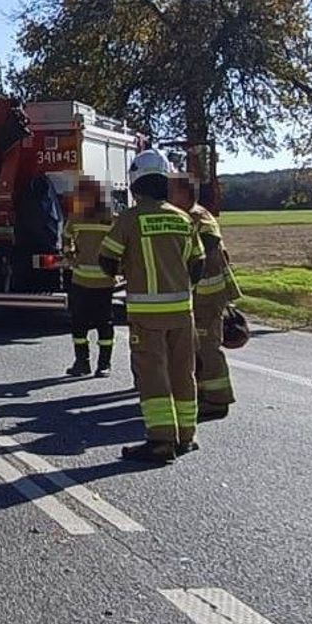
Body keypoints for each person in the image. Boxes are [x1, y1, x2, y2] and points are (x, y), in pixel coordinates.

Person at [98, 150, 206, 462]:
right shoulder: (182, 218)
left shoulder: (130, 219)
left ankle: (160, 442)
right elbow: (197, 264)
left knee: (153, 374)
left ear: (135, 185)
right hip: (182, 311)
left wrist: (127, 273)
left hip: (146, 314)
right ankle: (187, 436)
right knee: (183, 371)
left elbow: (107, 259)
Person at [170, 175, 241, 421]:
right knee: (196, 346)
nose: (168, 198)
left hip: (208, 295)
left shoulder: (199, 217)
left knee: (208, 346)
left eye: (172, 193)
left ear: (186, 195)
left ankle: (218, 398)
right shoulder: (188, 217)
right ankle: (202, 393)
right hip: (198, 294)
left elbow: (209, 245)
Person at [63, 176, 116, 378]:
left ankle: (104, 364)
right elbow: (66, 235)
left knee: (105, 324)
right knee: (78, 324)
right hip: (80, 280)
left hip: (104, 281)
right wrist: (69, 254)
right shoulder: (76, 218)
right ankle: (81, 363)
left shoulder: (110, 218)